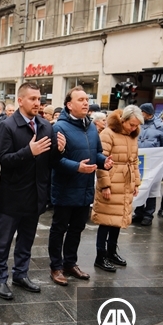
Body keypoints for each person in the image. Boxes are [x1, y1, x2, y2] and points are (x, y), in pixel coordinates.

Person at [0, 82, 64, 299]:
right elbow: (1, 160)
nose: (37, 102)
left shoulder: (45, 125)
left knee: (27, 240)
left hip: (35, 195)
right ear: (20, 100)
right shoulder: (7, 126)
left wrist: (60, 151)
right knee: (2, 242)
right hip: (11, 195)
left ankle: (21, 274)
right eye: (32, 98)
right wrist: (28, 152)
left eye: (39, 98)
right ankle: (0, 279)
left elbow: (50, 161)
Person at [49, 86, 112, 285]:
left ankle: (70, 263)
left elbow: (97, 152)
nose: (86, 102)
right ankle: (56, 267)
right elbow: (55, 161)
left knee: (77, 228)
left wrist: (103, 161)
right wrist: (77, 167)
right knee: (59, 229)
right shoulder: (59, 127)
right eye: (81, 99)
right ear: (69, 105)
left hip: (85, 188)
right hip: (65, 188)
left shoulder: (92, 126)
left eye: (87, 99)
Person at [92, 107, 142, 271]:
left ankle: (112, 251)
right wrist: (105, 185)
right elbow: (101, 160)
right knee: (106, 221)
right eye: (131, 124)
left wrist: (135, 183)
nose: (133, 128)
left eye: (136, 126)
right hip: (112, 181)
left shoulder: (132, 136)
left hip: (125, 182)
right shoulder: (108, 133)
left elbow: (134, 161)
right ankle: (100, 256)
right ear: (123, 120)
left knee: (117, 219)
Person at [131, 103, 163, 226]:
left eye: (141, 112)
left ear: (147, 113)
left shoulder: (160, 126)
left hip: (152, 162)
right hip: (139, 160)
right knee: (139, 186)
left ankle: (148, 214)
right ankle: (138, 212)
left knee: (151, 188)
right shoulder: (137, 123)